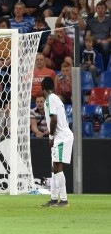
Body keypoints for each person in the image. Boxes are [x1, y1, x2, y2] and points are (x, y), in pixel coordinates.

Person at [40, 77, 73, 208]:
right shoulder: (56, 98)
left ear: (43, 89)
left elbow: (53, 119)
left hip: (61, 136)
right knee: (54, 168)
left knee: (57, 168)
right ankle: (53, 199)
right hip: (60, 135)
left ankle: (64, 200)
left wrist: (51, 136)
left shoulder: (50, 99)